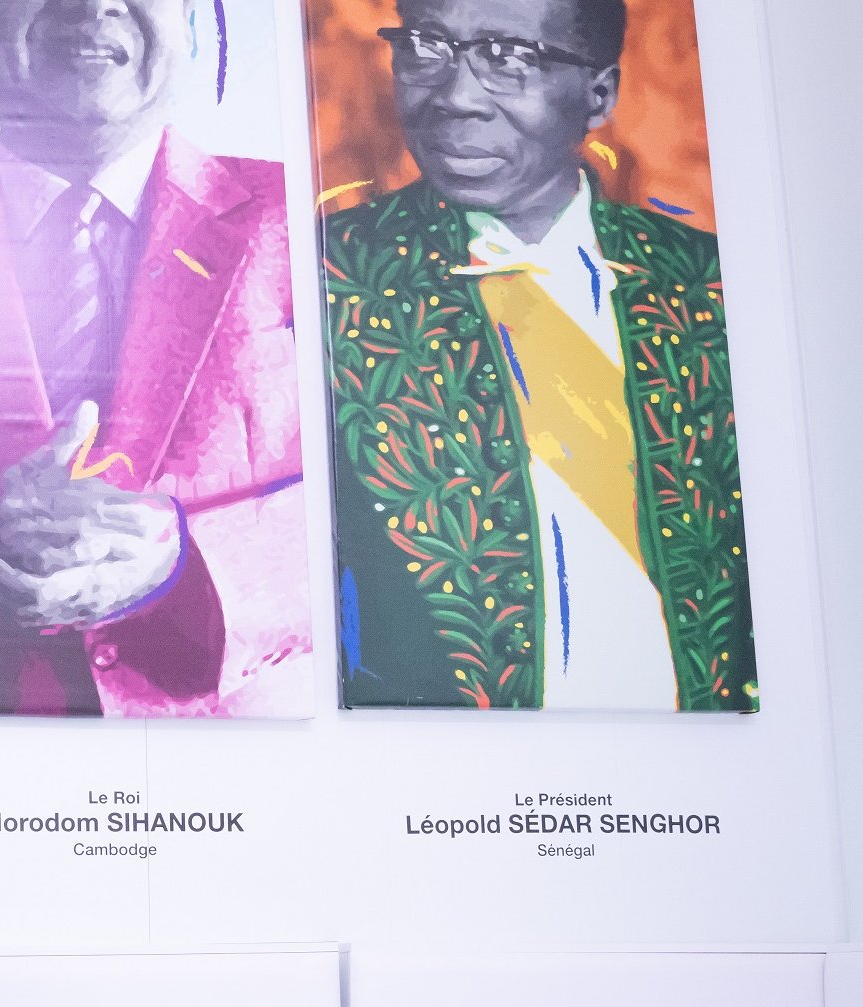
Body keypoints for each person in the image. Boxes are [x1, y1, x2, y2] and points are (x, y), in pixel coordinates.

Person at [0, 0, 311, 717]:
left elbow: (392, 508)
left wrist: (188, 565)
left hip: (249, 768)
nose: (95, 6)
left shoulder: (313, 220)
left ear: (193, 20)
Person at [319, 0, 757, 710]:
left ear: (599, 95)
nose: (455, 96)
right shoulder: (323, 275)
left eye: (508, 56)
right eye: (427, 47)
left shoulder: (704, 283)